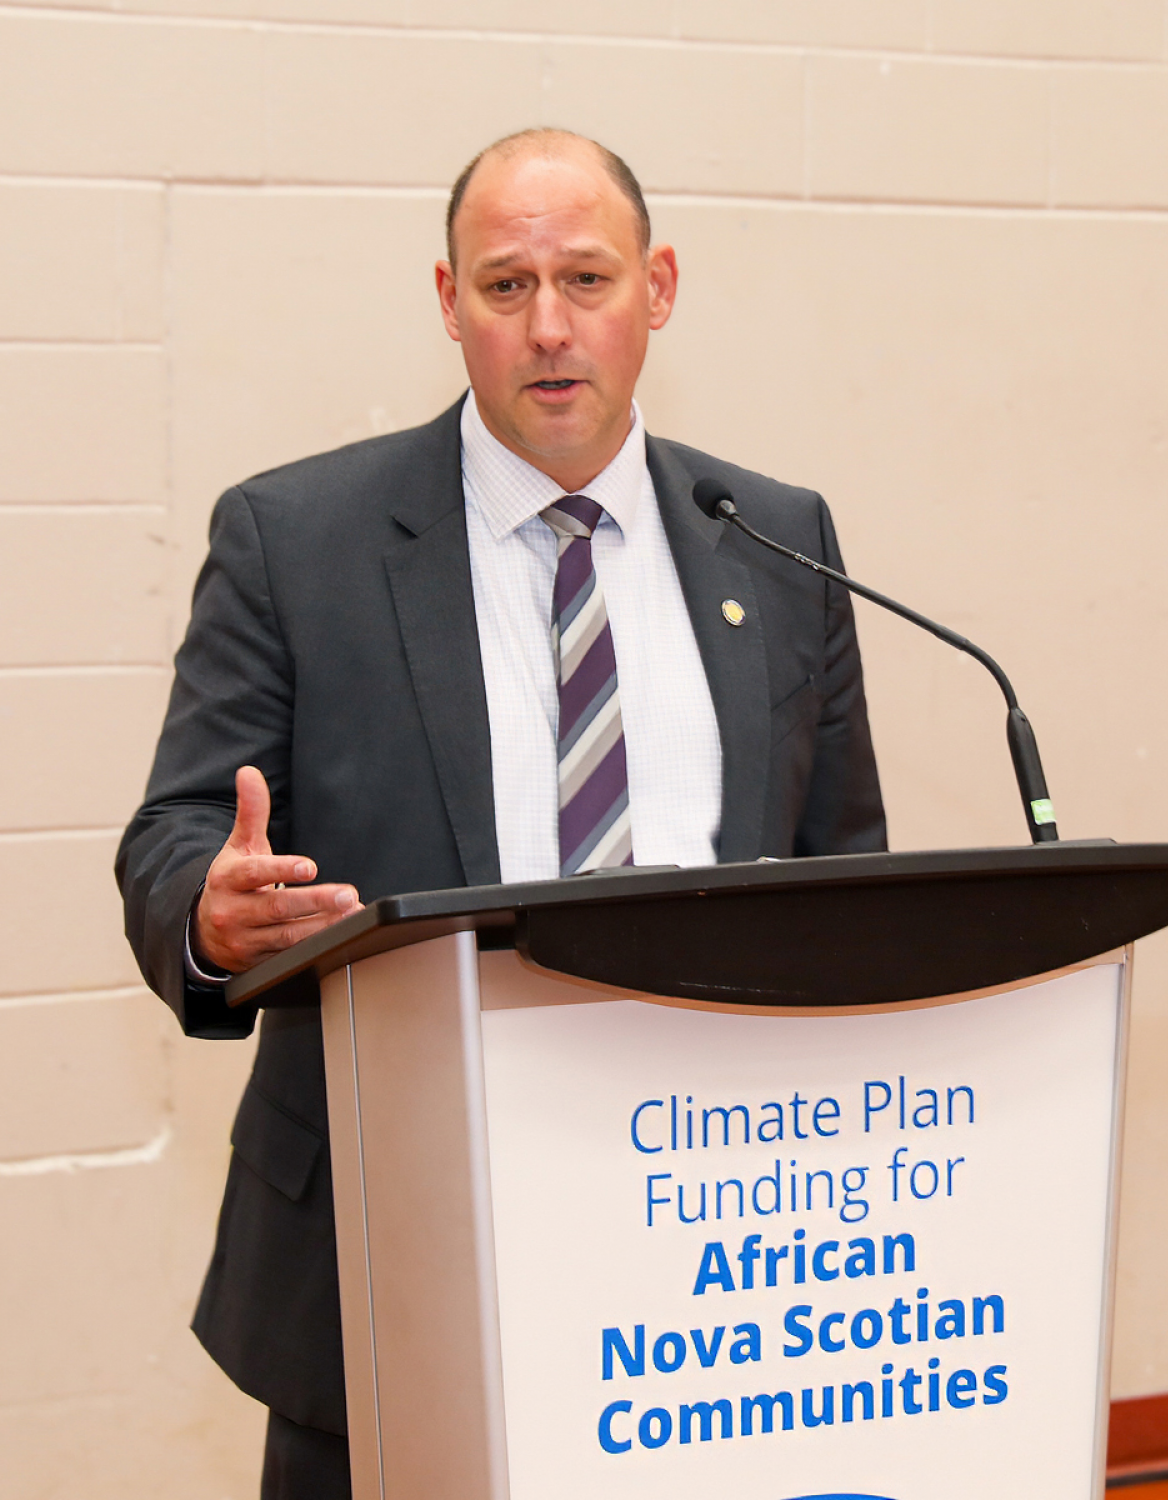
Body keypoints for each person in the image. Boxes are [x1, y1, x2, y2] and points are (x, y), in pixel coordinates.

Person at [115, 128, 885, 1499]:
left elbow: (843, 868)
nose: (548, 327)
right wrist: (211, 917)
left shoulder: (773, 538)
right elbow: (179, 836)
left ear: (657, 290)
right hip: (390, 1240)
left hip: (712, 1242)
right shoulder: (298, 541)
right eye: (505, 285)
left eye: (585, 279)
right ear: (447, 300)